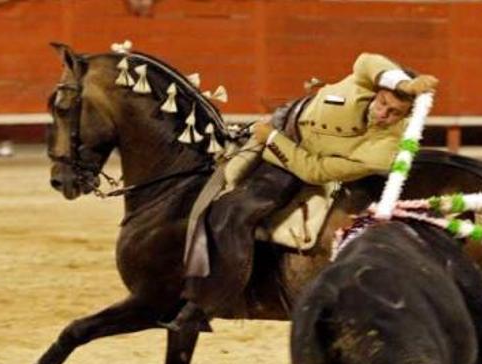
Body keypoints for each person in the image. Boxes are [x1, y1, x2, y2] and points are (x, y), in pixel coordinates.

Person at [166, 53, 438, 333]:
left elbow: (314, 170)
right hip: (283, 118)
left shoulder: (383, 151)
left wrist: (272, 139)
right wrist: (404, 84)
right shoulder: (365, 80)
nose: (383, 114)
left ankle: (205, 303)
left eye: (394, 112)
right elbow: (367, 61)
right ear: (379, 90)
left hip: (288, 158)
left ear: (406, 116)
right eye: (383, 103)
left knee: (236, 211)